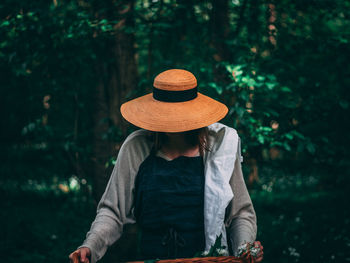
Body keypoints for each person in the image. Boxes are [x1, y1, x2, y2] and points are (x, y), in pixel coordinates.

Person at [69, 69, 264, 263]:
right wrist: (90, 245)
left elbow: (240, 214)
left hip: (208, 259)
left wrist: (244, 249)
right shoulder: (136, 147)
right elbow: (112, 211)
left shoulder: (220, 147)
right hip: (152, 258)